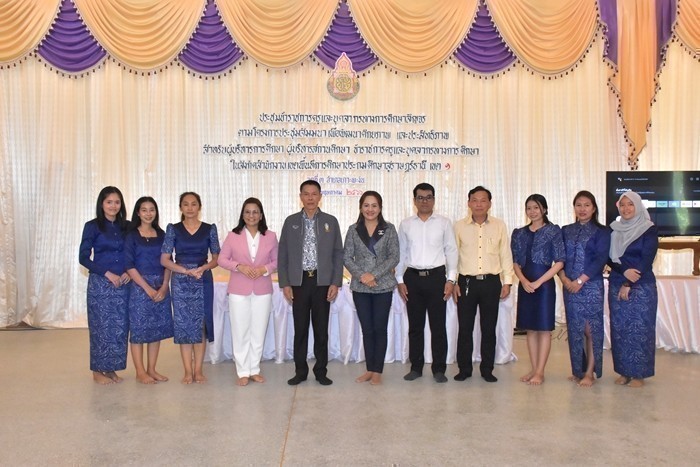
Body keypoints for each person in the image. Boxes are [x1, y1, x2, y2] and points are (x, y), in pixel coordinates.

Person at [278, 180, 344, 386]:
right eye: (306, 194)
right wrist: (285, 283)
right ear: (300, 197)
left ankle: (321, 371)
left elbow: (338, 254)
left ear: (320, 196)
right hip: (298, 283)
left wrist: (335, 282)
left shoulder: (330, 221)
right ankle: (300, 371)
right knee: (300, 329)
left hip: (322, 282)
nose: (310, 198)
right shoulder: (291, 222)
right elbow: (282, 254)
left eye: (314, 194)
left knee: (321, 330)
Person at [397, 183, 458, 383]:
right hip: (412, 278)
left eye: (428, 197)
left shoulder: (444, 223)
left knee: (438, 326)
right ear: (414, 200)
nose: (425, 201)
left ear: (434, 199)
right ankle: (416, 367)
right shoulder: (406, 224)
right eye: (420, 197)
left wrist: (451, 279)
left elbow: (451, 251)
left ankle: (439, 369)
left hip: (437, 278)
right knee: (415, 326)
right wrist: (400, 280)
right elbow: (401, 254)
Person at [453, 186, 513, 383]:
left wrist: (507, 282)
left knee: (489, 328)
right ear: (468, 203)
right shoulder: (459, 226)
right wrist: (453, 281)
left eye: (483, 200)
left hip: (491, 282)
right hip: (466, 282)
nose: (479, 204)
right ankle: (464, 368)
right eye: (475, 200)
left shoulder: (499, 225)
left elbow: (505, 254)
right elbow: (453, 256)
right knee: (465, 328)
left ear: (489, 203)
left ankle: (487, 369)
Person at [161, 192, 220, 384]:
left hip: (203, 278)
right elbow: (165, 260)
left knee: (201, 325)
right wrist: (185, 271)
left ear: (199, 207)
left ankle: (198, 370)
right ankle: (187, 371)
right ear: (181, 207)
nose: (190, 208)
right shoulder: (173, 229)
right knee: (184, 325)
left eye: (194, 204)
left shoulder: (209, 229)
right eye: (185, 204)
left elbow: (217, 258)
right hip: (181, 281)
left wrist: (203, 268)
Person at [218, 198, 278, 386]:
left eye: (255, 212)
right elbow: (222, 259)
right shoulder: (232, 236)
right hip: (238, 290)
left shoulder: (270, 236)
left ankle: (254, 369)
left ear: (261, 215)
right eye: (247, 212)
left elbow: (277, 261)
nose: (251, 215)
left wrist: (264, 269)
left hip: (262, 289)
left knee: (258, 331)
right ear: (242, 215)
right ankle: (243, 371)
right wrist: (239, 267)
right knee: (240, 331)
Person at [344, 191, 400, 385]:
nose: (370, 209)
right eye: (366, 205)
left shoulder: (389, 229)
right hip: (361, 287)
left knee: (379, 328)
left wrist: (373, 275)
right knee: (367, 329)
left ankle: (378, 371)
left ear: (380, 208)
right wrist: (362, 276)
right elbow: (346, 257)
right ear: (361, 208)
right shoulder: (353, 230)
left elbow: (394, 257)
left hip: (382, 286)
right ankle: (369, 368)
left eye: (374, 205)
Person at [79, 186, 130, 385]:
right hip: (100, 284)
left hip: (123, 284)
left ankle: (111, 369)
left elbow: (134, 252)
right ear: (102, 204)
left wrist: (128, 272)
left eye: (117, 202)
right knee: (100, 327)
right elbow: (83, 258)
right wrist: (107, 273)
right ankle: (97, 370)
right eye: (109, 202)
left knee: (118, 328)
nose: (113, 206)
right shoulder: (92, 226)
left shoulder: (127, 227)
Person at [511, 194, 565, 385]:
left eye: (536, 207)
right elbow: (515, 262)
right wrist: (524, 281)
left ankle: (540, 371)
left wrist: (538, 282)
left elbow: (560, 262)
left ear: (544, 209)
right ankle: (534, 369)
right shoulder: (519, 233)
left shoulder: (553, 231)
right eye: (529, 208)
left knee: (543, 329)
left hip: (544, 287)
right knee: (530, 329)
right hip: (525, 285)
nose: (532, 211)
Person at [558, 191, 610, 387]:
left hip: (591, 286)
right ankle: (578, 371)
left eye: (587, 205)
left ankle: (589, 372)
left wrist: (579, 281)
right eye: (578, 205)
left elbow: (600, 259)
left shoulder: (603, 231)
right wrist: (564, 279)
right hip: (569, 286)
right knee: (575, 329)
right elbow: (559, 257)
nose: (582, 209)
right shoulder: (566, 230)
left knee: (590, 329)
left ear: (594, 208)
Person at [608, 191, 659, 388]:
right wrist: (623, 272)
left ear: (637, 206)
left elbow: (646, 258)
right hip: (616, 281)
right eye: (622, 205)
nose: (626, 208)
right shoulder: (614, 230)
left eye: (630, 204)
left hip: (641, 285)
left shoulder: (648, 229)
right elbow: (609, 258)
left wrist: (628, 283)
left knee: (640, 329)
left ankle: (639, 374)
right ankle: (624, 371)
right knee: (620, 330)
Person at [125, 196, 173, 384]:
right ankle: (140, 372)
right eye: (144, 210)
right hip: (139, 288)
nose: (148, 213)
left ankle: (152, 369)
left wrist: (164, 286)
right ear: (138, 212)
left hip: (160, 286)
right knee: (138, 331)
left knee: (155, 330)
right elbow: (129, 265)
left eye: (151, 209)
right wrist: (147, 288)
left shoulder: (162, 235)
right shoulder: (131, 236)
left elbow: (168, 262)